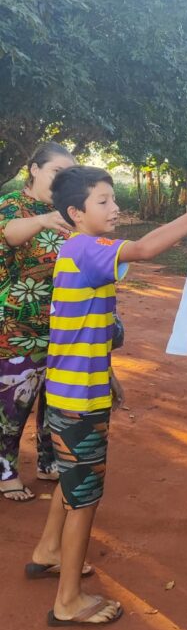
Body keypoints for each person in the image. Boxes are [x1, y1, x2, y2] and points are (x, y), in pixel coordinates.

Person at [28, 166, 187, 627]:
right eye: (103, 201)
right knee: (85, 495)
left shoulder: (80, 249)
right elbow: (145, 248)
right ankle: (68, 602)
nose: (115, 207)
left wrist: (109, 374)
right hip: (78, 398)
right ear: (75, 213)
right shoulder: (85, 247)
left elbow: (86, 328)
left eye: (113, 199)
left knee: (71, 475)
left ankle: (48, 550)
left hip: (73, 386)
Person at [0, 141, 75, 501]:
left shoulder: (69, 212)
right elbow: (9, 234)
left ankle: (48, 462)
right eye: (56, 173)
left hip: (61, 327)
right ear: (34, 169)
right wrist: (44, 219)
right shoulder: (13, 204)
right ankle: (6, 471)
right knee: (15, 402)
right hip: (17, 327)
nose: (61, 182)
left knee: (55, 400)